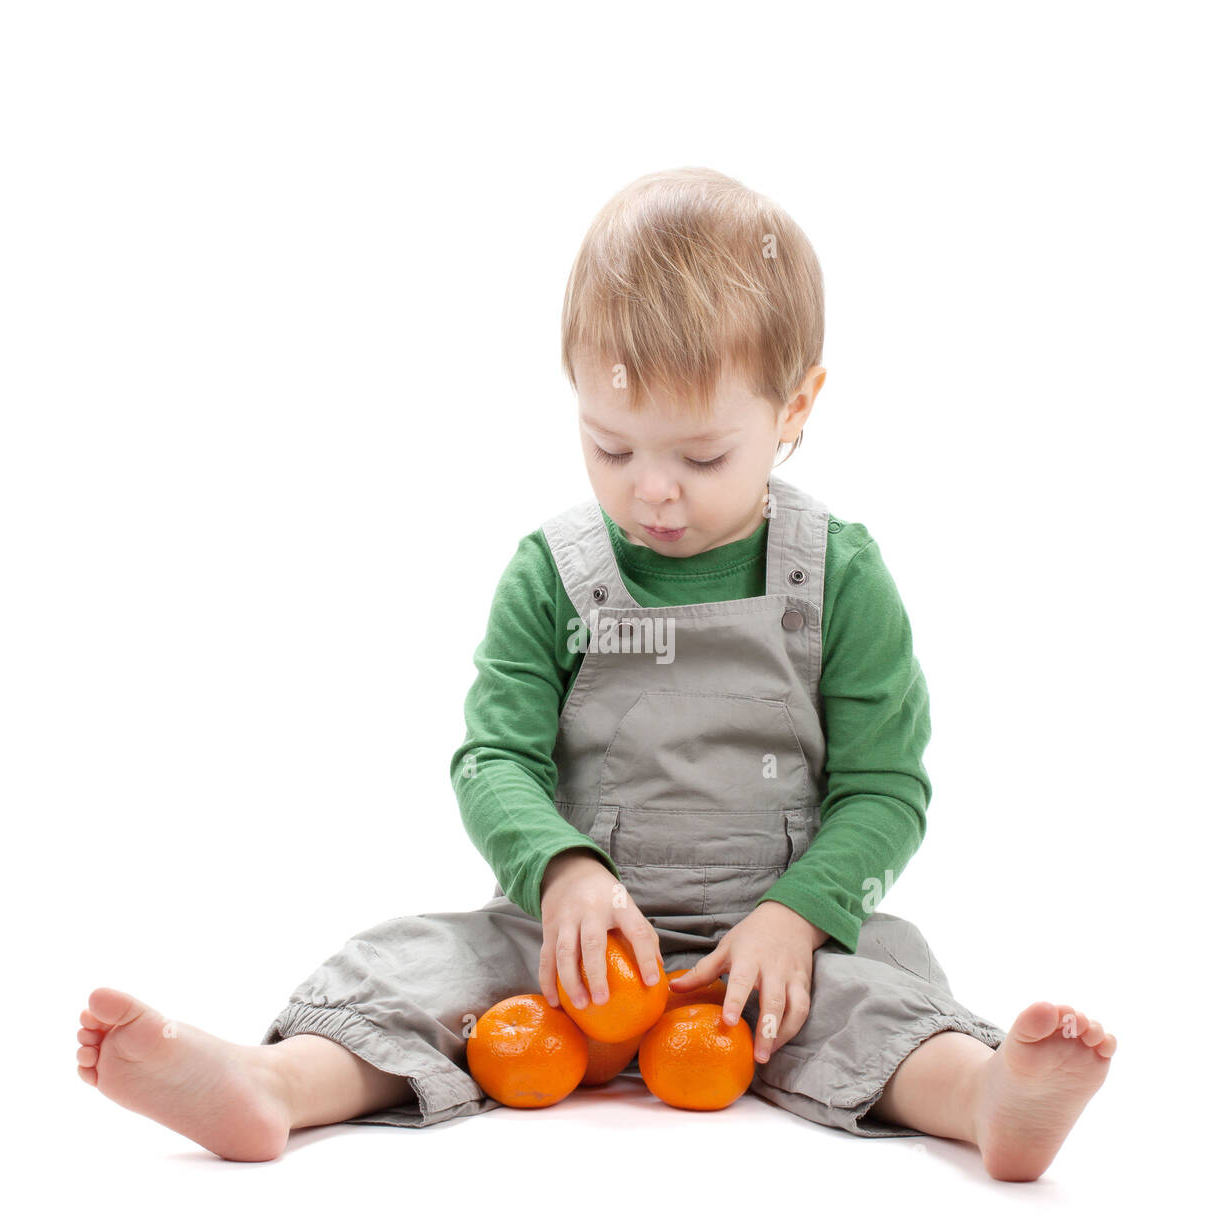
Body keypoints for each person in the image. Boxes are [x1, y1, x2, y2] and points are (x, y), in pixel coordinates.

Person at [75, 167, 1115, 1180]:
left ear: (797, 405)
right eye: (609, 446)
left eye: (702, 457)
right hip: (562, 932)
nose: (651, 491)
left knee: (875, 993)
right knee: (414, 965)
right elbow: (493, 757)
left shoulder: (839, 575)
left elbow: (884, 785)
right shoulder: (555, 574)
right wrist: (563, 872)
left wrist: (797, 915)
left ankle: (985, 1097)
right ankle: (274, 1085)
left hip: (771, 933)